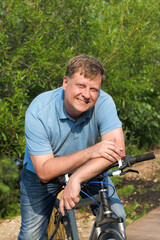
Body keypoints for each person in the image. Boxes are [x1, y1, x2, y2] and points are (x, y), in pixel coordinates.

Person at [18, 54, 126, 240]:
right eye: (81, 86)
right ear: (65, 83)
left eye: (94, 89)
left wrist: (77, 177)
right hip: (42, 175)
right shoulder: (38, 111)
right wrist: (91, 151)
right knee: (30, 236)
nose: (87, 94)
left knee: (116, 218)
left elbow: (118, 151)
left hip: (87, 171)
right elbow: (44, 171)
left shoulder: (104, 102)